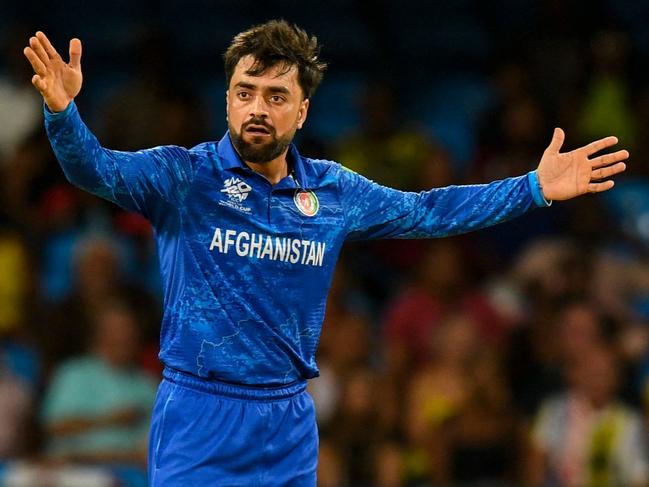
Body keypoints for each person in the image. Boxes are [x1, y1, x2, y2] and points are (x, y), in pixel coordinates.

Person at [22, 20, 629, 486]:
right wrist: (63, 114)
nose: (258, 107)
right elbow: (92, 169)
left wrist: (532, 188)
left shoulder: (336, 192)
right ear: (228, 101)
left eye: (276, 95)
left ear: (303, 109)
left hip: (287, 421)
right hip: (199, 414)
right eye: (245, 92)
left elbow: (429, 211)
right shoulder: (184, 178)